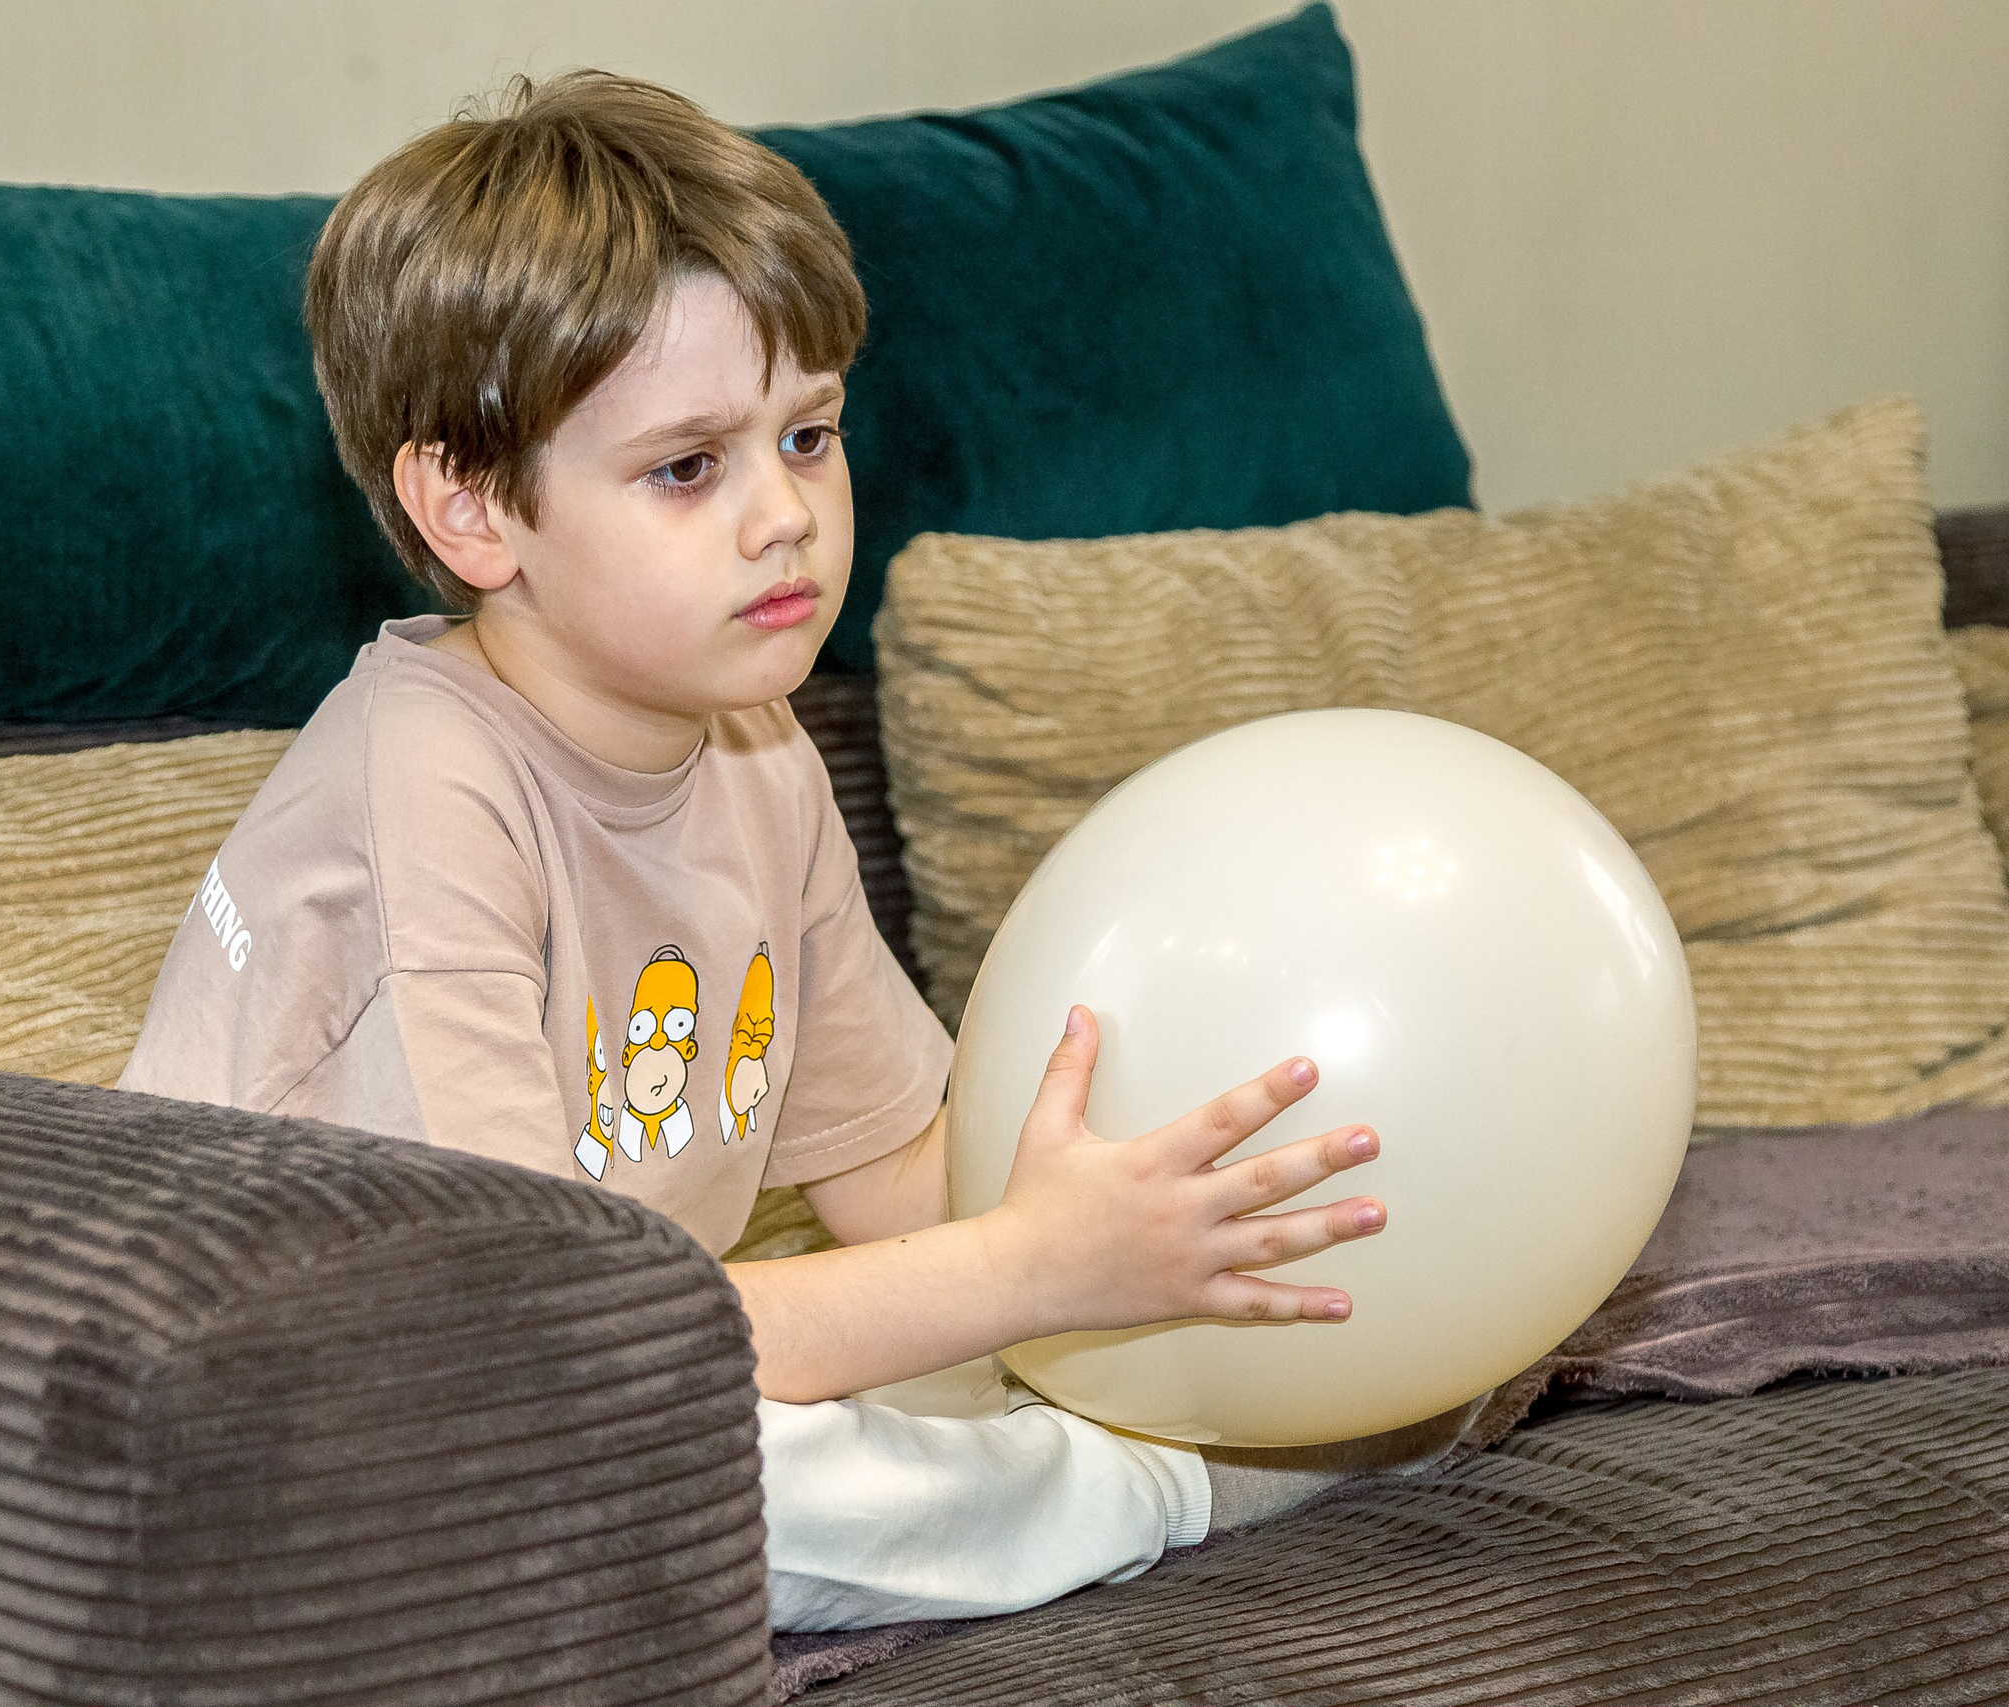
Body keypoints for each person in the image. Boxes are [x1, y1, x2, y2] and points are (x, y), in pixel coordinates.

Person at [120, 68, 1477, 1632]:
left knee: (957, 1361)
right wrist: (1035, 1276)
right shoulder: (427, 785)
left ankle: (1178, 1432)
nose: (786, 516)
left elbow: (893, 1166)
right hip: (328, 1456)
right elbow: (545, 1340)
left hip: (610, 1368)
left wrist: (1131, 1246)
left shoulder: (756, 750)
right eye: (689, 466)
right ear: (475, 508)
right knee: (727, 1473)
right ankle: (1165, 1492)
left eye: (811, 434)